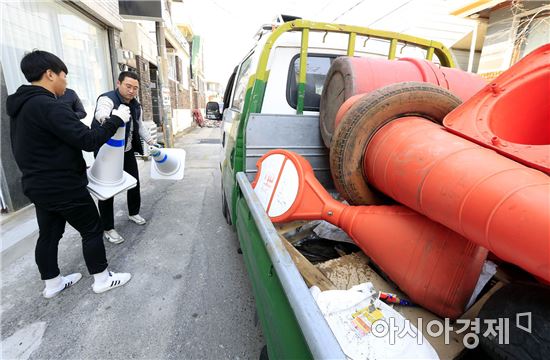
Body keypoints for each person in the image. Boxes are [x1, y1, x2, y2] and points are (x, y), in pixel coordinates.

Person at [6, 50, 132, 298]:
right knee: (92, 229)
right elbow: (88, 140)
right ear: (50, 74)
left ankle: (52, 284)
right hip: (63, 184)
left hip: (36, 184)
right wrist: (116, 119)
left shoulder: (20, 107)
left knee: (50, 234)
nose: (66, 82)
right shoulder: (49, 106)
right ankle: (102, 279)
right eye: (64, 75)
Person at [92, 71, 155, 244]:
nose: (132, 91)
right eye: (128, 86)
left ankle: (133, 212)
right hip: (107, 152)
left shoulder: (136, 105)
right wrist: (108, 119)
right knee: (107, 191)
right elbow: (101, 113)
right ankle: (108, 228)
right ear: (118, 84)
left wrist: (150, 141)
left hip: (126, 151)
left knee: (134, 182)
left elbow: (139, 125)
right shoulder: (107, 99)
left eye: (135, 88)